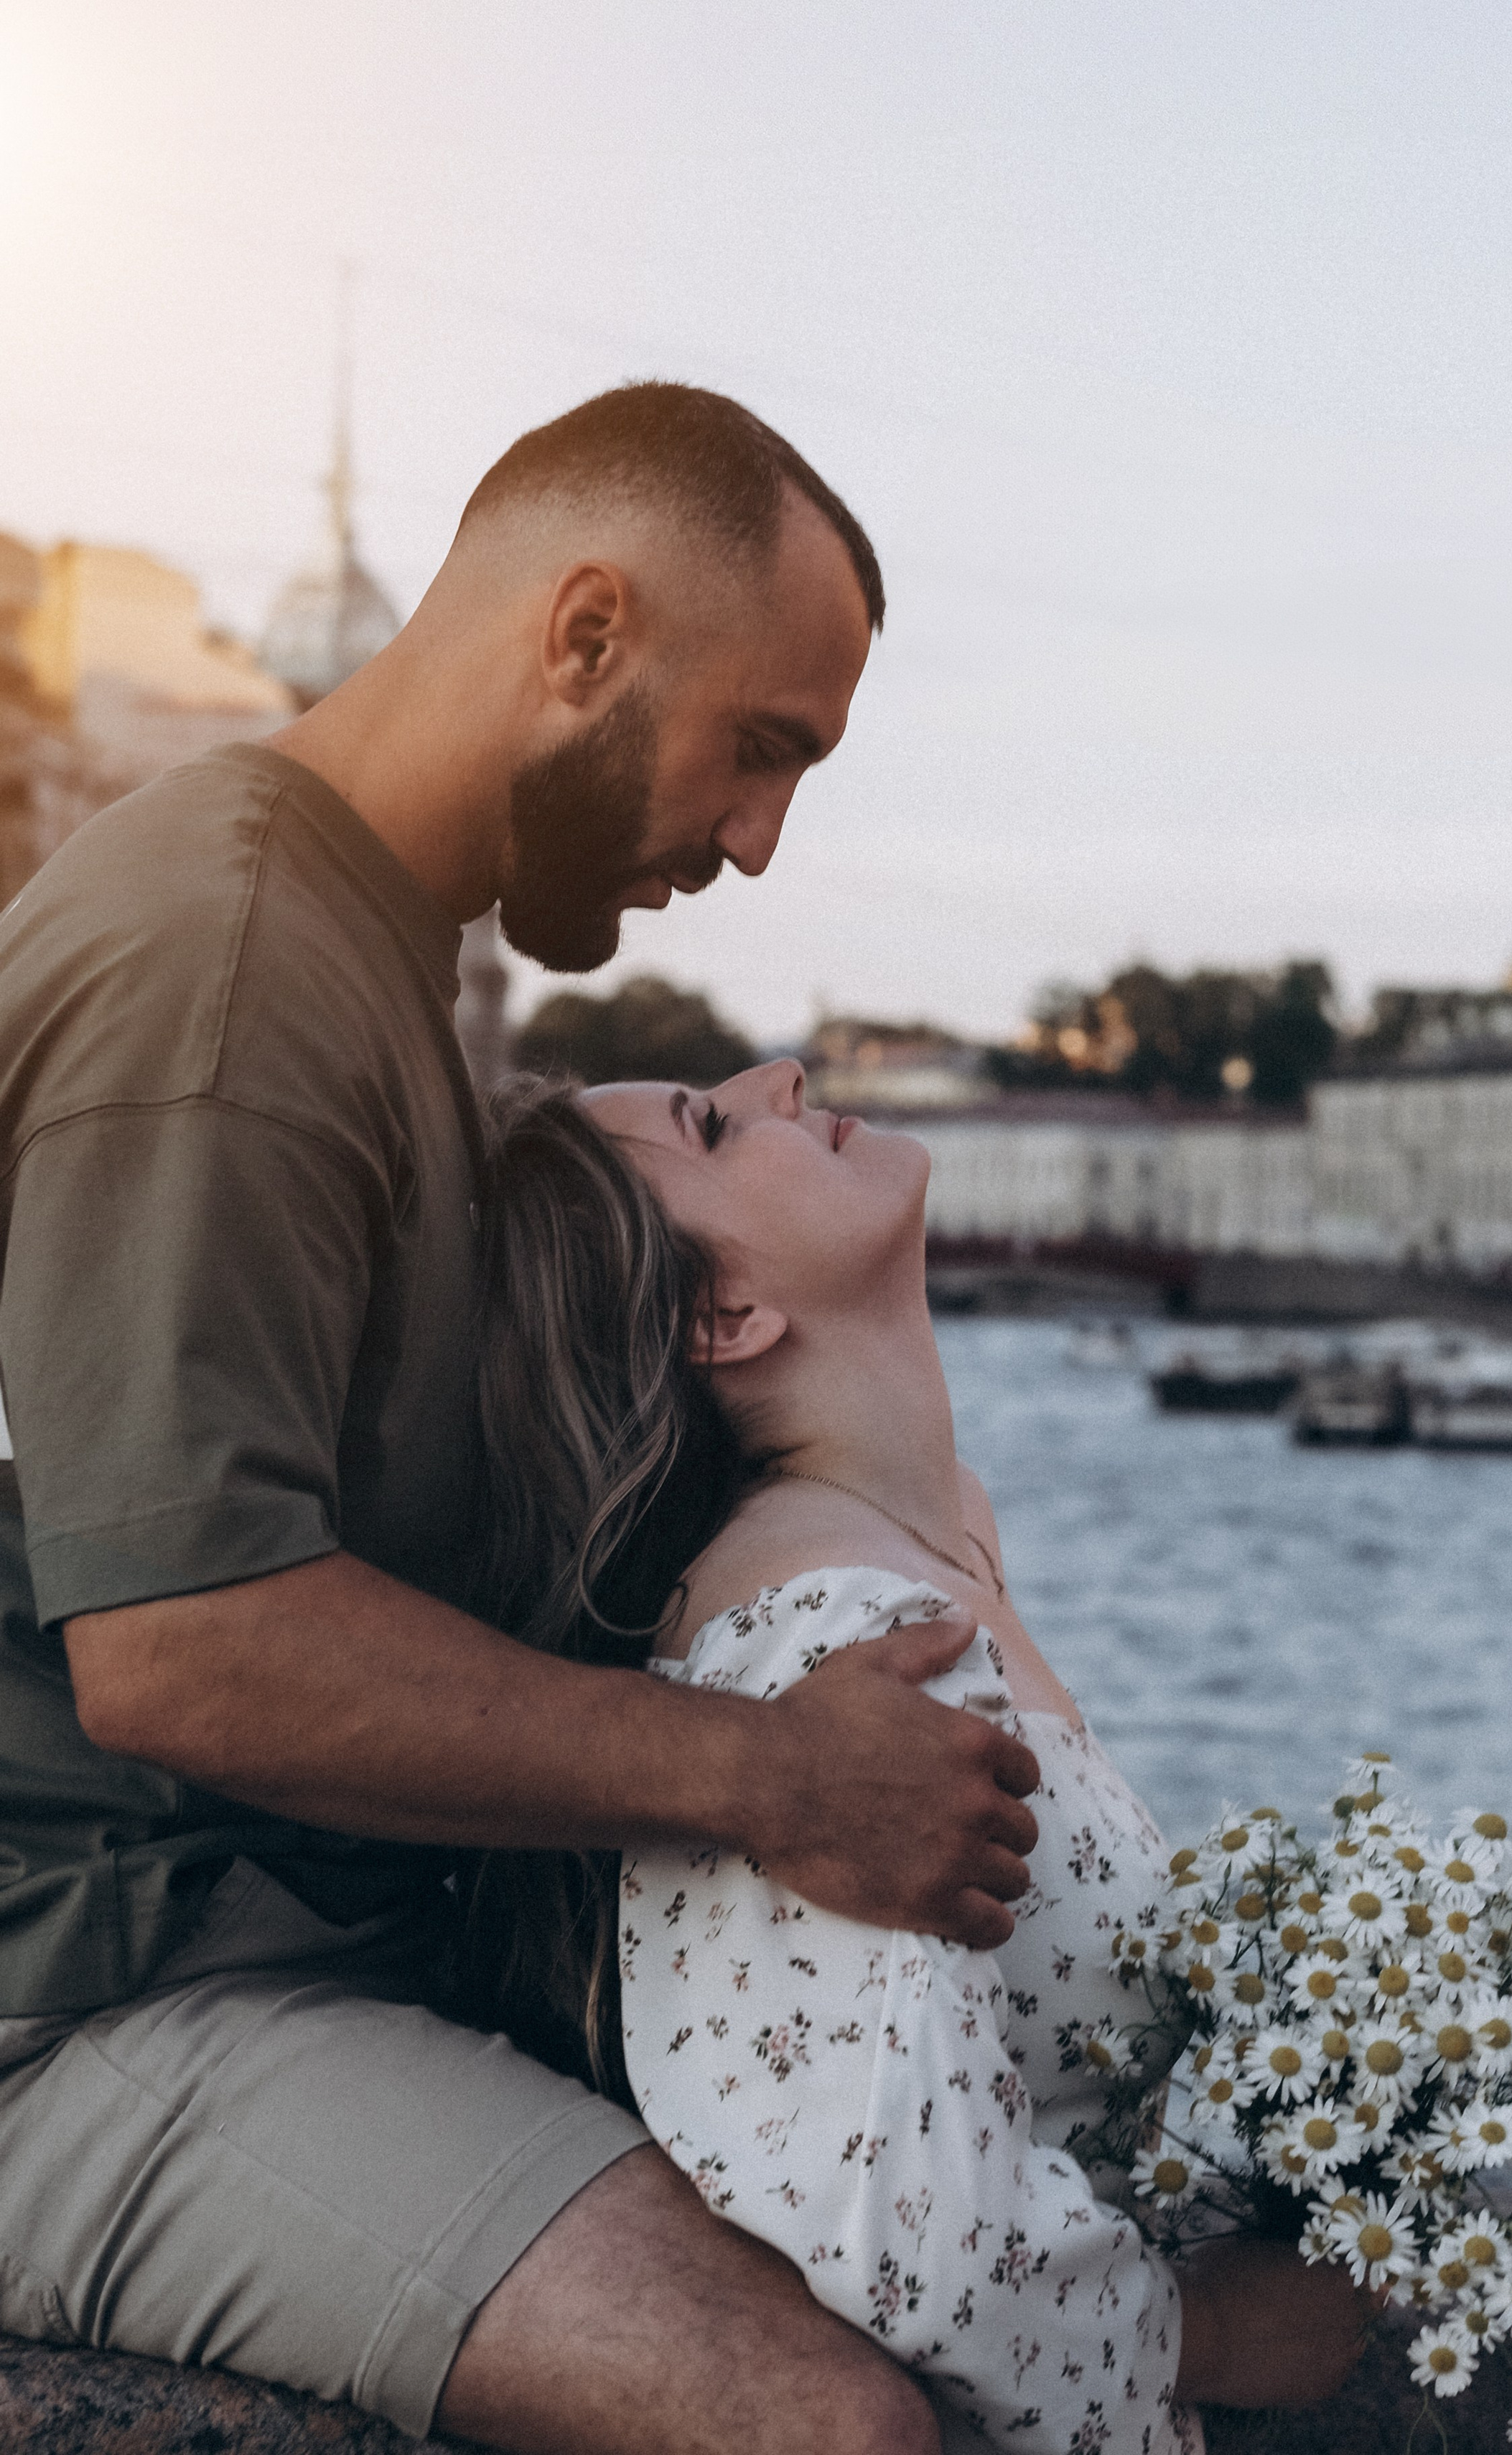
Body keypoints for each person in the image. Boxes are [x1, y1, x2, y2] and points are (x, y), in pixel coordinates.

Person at [0, 385, 1042, 2455]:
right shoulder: (226, 968)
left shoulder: (353, 939)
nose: (759, 845)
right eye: (765, 748)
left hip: (256, 1935)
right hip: (81, 1999)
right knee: (828, 2423)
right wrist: (772, 1778)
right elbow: (187, 1647)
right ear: (583, 640)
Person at [467, 1063, 1375, 2454]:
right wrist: (1222, 2329)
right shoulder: (821, 1649)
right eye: (712, 1125)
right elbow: (886, 2214)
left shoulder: (942, 1540)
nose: (775, 1075)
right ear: (726, 1314)